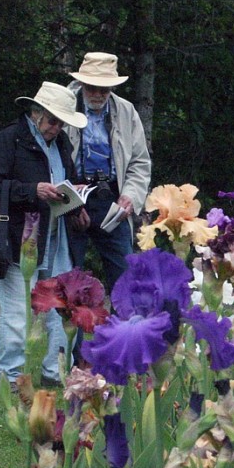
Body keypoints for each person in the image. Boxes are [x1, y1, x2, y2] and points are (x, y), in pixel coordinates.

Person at [0, 82, 87, 390]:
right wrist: (33, 190)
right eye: (52, 120)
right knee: (16, 311)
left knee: (62, 309)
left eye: (61, 122)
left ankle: (56, 372)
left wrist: (75, 202)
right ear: (35, 113)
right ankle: (10, 376)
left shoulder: (62, 143)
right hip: (17, 239)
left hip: (55, 239)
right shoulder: (9, 139)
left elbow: (64, 182)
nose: (56, 127)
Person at [65, 52, 152, 291]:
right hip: (73, 199)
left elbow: (139, 163)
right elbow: (50, 160)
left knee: (124, 277)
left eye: (104, 89)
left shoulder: (126, 111)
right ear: (82, 83)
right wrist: (70, 202)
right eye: (92, 87)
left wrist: (130, 198)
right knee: (69, 279)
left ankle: (120, 328)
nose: (98, 94)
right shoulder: (63, 107)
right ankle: (72, 329)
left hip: (112, 200)